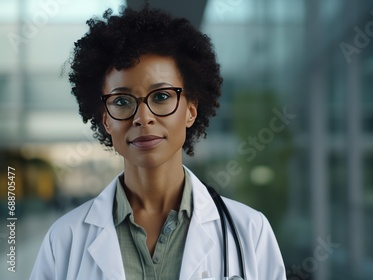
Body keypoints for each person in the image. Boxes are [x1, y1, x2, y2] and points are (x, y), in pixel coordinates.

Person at [30, 6, 286, 280]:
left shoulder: (249, 231)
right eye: (122, 101)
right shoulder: (64, 240)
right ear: (105, 119)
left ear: (191, 110)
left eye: (161, 97)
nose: (143, 118)